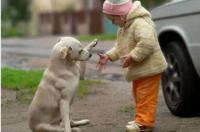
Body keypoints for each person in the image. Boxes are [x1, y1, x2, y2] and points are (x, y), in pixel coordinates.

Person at [97, 0, 168, 131]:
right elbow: (120, 47)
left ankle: (144, 123)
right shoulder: (124, 27)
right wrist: (108, 55)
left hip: (150, 68)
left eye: (112, 19)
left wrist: (133, 56)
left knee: (145, 96)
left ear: (121, 15)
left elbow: (147, 43)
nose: (112, 23)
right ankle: (141, 118)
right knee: (139, 95)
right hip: (140, 70)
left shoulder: (139, 23)